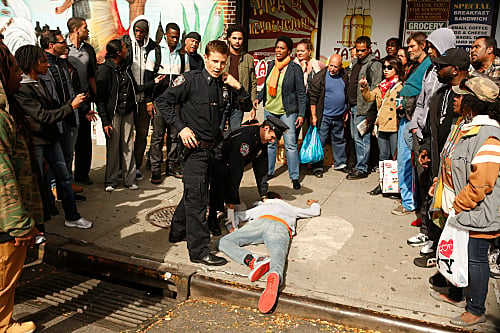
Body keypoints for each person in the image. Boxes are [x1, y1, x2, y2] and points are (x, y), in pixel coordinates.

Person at [156, 40, 252, 266]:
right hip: (194, 149)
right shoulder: (190, 80)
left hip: (215, 148)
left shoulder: (225, 84)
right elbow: (163, 102)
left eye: (223, 62)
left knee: (194, 192)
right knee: (198, 199)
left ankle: (177, 230)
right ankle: (199, 251)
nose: (218, 66)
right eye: (215, 61)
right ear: (206, 58)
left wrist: (238, 86)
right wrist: (181, 127)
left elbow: (246, 107)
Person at [430, 76, 500, 327]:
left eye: (461, 96)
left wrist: (458, 204)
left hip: (479, 212)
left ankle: (476, 309)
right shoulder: (469, 127)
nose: (456, 99)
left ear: (474, 103)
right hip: (466, 207)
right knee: (462, 255)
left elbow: (482, 183)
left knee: (476, 258)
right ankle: (459, 295)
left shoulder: (489, 134)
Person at [13, 45, 93, 230]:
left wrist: (75, 105)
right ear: (32, 64)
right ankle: (38, 228)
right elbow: (43, 115)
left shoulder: (40, 80)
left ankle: (72, 216)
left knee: (64, 177)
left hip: (51, 138)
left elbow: (53, 108)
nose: (47, 64)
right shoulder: (22, 88)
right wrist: (71, 107)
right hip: (37, 141)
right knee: (39, 185)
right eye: (42, 61)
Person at [410, 48, 470, 268]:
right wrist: (425, 148)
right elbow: (432, 129)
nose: (436, 67)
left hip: (458, 171)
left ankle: (451, 263)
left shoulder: (469, 95)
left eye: (441, 65)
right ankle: (435, 245)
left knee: (452, 214)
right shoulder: (440, 94)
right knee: (435, 205)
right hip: (437, 162)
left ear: (455, 69)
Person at [0, 41, 43, 333]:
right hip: (5, 221)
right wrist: (20, 223)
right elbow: (2, 175)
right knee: (4, 275)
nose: (19, 74)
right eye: (13, 69)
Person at [218, 196, 321, 313]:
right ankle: (275, 274)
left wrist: (232, 227)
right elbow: (314, 212)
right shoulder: (290, 208)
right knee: (278, 254)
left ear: (266, 199)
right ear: (280, 199)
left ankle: (253, 260)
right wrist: (314, 203)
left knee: (224, 242)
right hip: (281, 226)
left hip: (260, 223)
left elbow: (236, 216)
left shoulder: (262, 206)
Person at [96, 40, 161, 192]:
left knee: (128, 147)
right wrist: (105, 121)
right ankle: (111, 181)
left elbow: (134, 88)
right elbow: (100, 99)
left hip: (128, 112)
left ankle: (129, 179)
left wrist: (153, 82)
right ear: (118, 52)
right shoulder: (105, 70)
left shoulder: (125, 67)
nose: (126, 49)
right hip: (114, 114)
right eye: (124, 48)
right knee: (113, 148)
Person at [208, 115, 289, 235]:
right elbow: (235, 172)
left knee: (241, 208)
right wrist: (231, 201)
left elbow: (261, 169)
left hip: (232, 165)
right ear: (266, 128)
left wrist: (264, 195)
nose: (272, 141)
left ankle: (224, 204)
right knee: (220, 187)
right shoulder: (245, 139)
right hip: (219, 161)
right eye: (272, 137)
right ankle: (212, 217)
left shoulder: (262, 141)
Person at [39, 29, 93, 203]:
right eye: (62, 42)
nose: (65, 45)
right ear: (51, 45)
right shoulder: (41, 65)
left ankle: (65, 192)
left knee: (68, 157)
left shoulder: (63, 63)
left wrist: (82, 109)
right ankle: (54, 193)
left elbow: (70, 90)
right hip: (55, 121)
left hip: (71, 118)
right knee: (55, 162)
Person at [253, 36, 306, 190]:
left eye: (282, 48)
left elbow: (301, 93)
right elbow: (265, 86)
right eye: (277, 47)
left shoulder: (294, 69)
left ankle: (294, 177)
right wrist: (258, 98)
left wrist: (301, 114)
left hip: (287, 112)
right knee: (270, 142)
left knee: (290, 144)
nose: (278, 50)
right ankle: (269, 172)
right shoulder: (271, 65)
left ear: (289, 51)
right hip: (270, 109)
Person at [145, 22, 189, 184]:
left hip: (176, 104)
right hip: (158, 102)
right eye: (172, 37)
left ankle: (172, 165)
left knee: (174, 135)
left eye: (177, 37)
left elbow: (187, 80)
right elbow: (147, 79)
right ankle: (156, 168)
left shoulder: (182, 56)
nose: (175, 40)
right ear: (166, 36)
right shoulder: (154, 53)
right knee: (157, 137)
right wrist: (148, 102)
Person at [392, 31, 431, 216]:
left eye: (412, 46)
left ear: (423, 46)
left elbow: (425, 96)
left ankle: (410, 203)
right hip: (405, 117)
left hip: (413, 120)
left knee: (409, 162)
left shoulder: (429, 65)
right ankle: (407, 199)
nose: (409, 50)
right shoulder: (415, 66)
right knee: (403, 162)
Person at [360, 55, 404, 195]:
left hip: (395, 126)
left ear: (396, 69)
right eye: (384, 67)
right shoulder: (381, 86)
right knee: (383, 157)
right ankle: (383, 185)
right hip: (382, 126)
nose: (386, 70)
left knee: (396, 158)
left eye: (389, 67)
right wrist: (365, 88)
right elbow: (369, 98)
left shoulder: (401, 86)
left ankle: (397, 187)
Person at [122, 16, 156, 181]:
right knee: (126, 135)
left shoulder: (153, 47)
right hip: (128, 99)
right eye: (136, 30)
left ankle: (136, 166)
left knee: (142, 134)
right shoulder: (125, 44)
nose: (138, 34)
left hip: (144, 99)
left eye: (142, 31)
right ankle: (125, 166)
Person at [346, 36, 383, 180]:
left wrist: (371, 111)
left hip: (365, 108)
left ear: (369, 49)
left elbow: (376, 88)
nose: (359, 53)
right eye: (357, 50)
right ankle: (359, 165)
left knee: (362, 138)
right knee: (356, 138)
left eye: (363, 50)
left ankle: (362, 168)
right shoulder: (356, 62)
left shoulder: (374, 65)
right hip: (353, 106)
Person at [66, 17, 97, 186]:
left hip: (85, 100)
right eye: (85, 28)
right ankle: (66, 178)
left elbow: (92, 75)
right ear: (76, 29)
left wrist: (96, 98)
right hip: (69, 101)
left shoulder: (88, 50)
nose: (88, 30)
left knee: (84, 139)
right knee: (70, 138)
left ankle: (82, 174)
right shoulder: (64, 49)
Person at [309, 54, 349, 178]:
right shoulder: (320, 77)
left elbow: (346, 94)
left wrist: (346, 110)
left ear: (341, 67)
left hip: (338, 116)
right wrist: (314, 116)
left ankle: (340, 163)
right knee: (320, 142)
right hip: (324, 116)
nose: (332, 69)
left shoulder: (344, 76)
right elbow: (313, 98)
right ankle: (317, 167)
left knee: (339, 140)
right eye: (331, 65)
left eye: (335, 67)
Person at [222, 24, 257, 130]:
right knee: (217, 131)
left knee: (236, 133)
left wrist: (252, 105)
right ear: (229, 39)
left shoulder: (248, 58)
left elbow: (253, 83)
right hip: (222, 98)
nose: (237, 41)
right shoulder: (222, 56)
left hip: (239, 101)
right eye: (234, 38)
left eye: (240, 39)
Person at [294, 38, 325, 139]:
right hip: (297, 103)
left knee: (311, 131)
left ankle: (308, 153)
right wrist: (302, 70)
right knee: (294, 131)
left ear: (309, 51)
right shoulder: (293, 65)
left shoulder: (318, 64)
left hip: (314, 102)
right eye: (298, 51)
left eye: (302, 51)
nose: (299, 53)